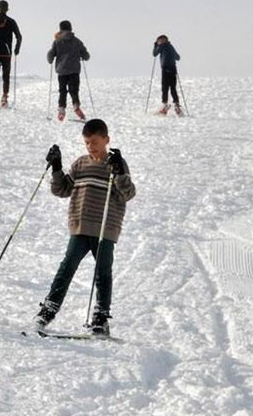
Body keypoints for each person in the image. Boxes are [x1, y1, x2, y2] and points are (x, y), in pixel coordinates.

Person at [34, 119, 136, 336]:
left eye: (95, 142)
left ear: (106, 140)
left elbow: (128, 193)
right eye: (87, 143)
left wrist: (119, 173)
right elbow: (62, 189)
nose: (91, 147)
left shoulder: (116, 164)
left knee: (102, 272)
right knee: (67, 267)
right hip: (80, 227)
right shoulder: (80, 164)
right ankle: (48, 310)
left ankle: (100, 318)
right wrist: (57, 167)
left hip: (105, 229)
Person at [46, 20, 90, 121]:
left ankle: (61, 110)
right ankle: (76, 106)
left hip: (61, 71)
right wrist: (84, 56)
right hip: (74, 70)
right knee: (74, 90)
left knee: (62, 91)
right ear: (70, 28)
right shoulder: (77, 41)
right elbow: (85, 54)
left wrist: (50, 59)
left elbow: (51, 54)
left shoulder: (57, 41)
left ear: (60, 29)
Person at [153, 35, 182, 116]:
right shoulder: (171, 46)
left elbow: (154, 54)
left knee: (165, 87)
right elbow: (178, 57)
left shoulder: (161, 46)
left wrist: (156, 45)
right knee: (173, 87)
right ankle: (176, 105)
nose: (161, 41)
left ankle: (165, 105)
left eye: (161, 40)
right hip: (173, 69)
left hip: (165, 69)